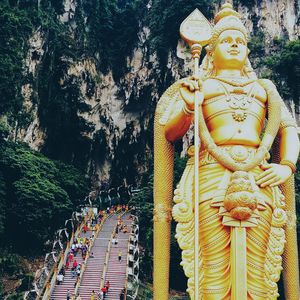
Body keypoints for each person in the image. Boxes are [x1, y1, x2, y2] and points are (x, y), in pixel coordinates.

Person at [153, 2, 299, 300]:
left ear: (247, 51)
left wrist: (287, 165)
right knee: (213, 269)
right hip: (211, 175)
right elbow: (169, 130)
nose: (234, 46)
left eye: (240, 42)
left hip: (259, 176)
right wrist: (189, 106)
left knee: (259, 275)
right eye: (226, 41)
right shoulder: (200, 84)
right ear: (211, 49)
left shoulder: (264, 88)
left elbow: (290, 129)